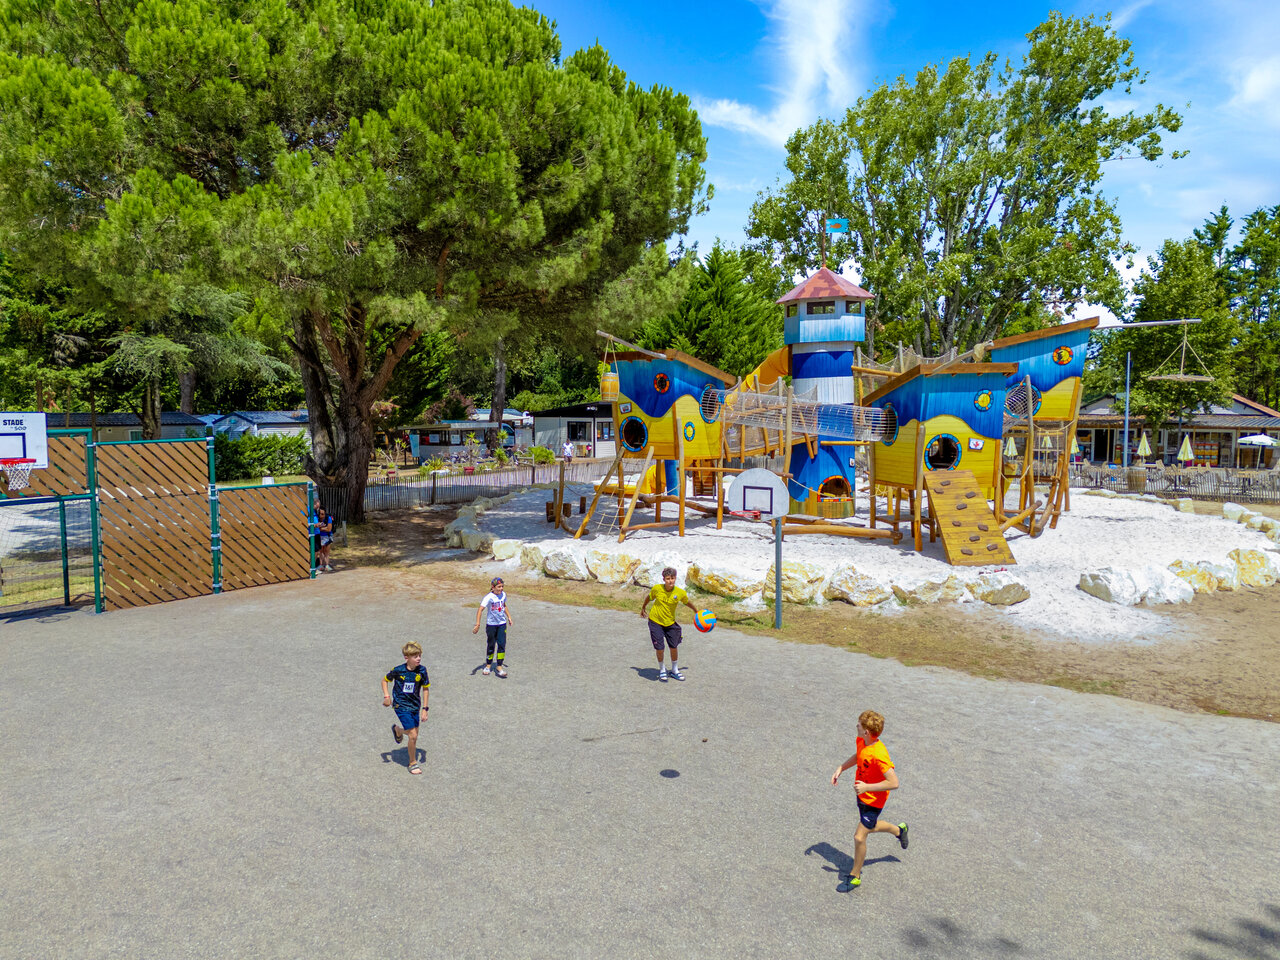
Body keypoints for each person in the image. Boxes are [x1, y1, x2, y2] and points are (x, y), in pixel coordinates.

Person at [831, 710, 908, 889]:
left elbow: (894, 782)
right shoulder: (862, 741)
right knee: (870, 826)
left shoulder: (879, 754)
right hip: (862, 796)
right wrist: (841, 768)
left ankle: (855, 876)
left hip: (874, 800)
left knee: (859, 837)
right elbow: (859, 757)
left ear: (866, 731)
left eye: (859, 724)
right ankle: (899, 831)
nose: (856, 726)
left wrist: (867, 787)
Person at [639, 566, 698, 682]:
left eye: (672, 578)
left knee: (673, 647)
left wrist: (696, 611)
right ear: (663, 579)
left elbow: (687, 602)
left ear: (675, 578)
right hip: (655, 622)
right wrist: (643, 607)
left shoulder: (680, 593)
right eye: (667, 578)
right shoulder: (657, 589)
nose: (670, 581)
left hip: (670, 623)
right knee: (660, 648)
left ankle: (675, 670)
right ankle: (662, 670)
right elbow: (649, 597)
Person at [383, 642, 430, 775]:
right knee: (413, 735)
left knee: (413, 736)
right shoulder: (398, 670)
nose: (419, 658)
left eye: (419, 655)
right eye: (415, 656)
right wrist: (387, 697)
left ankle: (398, 730)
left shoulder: (422, 670)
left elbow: (426, 689)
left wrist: (425, 709)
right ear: (406, 657)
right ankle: (412, 763)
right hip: (401, 705)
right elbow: (384, 681)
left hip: (415, 705)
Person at [472, 576, 512, 678]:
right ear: (493, 587)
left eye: (502, 586)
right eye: (499, 586)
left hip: (502, 624)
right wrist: (477, 624)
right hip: (491, 625)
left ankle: (499, 666)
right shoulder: (488, 597)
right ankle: (488, 665)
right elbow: (480, 610)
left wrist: (509, 617)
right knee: (491, 645)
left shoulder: (503, 595)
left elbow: (504, 605)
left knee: (502, 645)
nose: (501, 589)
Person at [315, 505, 334, 572]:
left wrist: (321, 528)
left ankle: (327, 565)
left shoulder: (328, 518)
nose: (321, 516)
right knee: (321, 551)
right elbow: (317, 528)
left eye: (323, 514)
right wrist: (323, 528)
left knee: (326, 551)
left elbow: (329, 529)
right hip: (320, 536)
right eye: (320, 514)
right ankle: (321, 565)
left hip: (327, 536)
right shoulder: (316, 518)